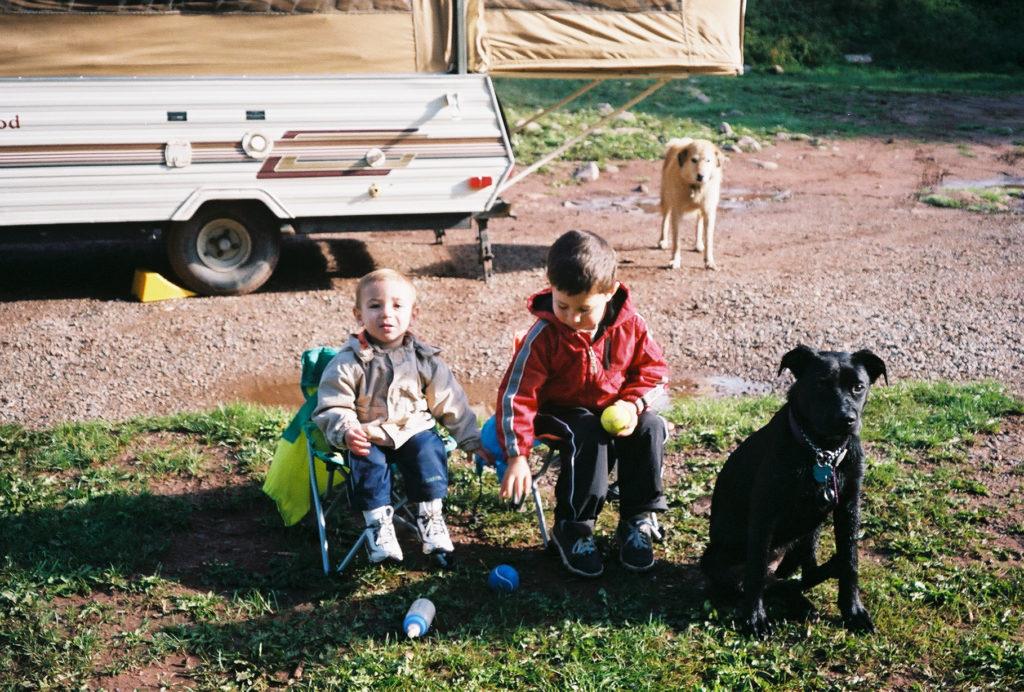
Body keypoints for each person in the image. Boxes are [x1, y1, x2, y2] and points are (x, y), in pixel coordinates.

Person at [495, 230, 670, 577]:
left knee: (652, 426)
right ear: (551, 286)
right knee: (587, 431)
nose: (572, 318)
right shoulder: (543, 336)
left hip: (618, 407)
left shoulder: (631, 325)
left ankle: (637, 519)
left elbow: (656, 373)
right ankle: (574, 526)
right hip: (560, 412)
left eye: (583, 309)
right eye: (563, 306)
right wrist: (517, 456)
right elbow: (517, 395)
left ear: (610, 291)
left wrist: (634, 405)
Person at [314, 268, 492, 563]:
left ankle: (430, 516)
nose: (386, 314)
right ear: (358, 315)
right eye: (375, 306)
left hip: (411, 430)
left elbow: (451, 401)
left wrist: (471, 440)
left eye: (397, 306)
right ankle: (378, 525)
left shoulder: (423, 359)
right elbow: (333, 404)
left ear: (413, 314)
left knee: (429, 447)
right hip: (367, 433)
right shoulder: (348, 361)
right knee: (365, 459)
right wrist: (346, 430)